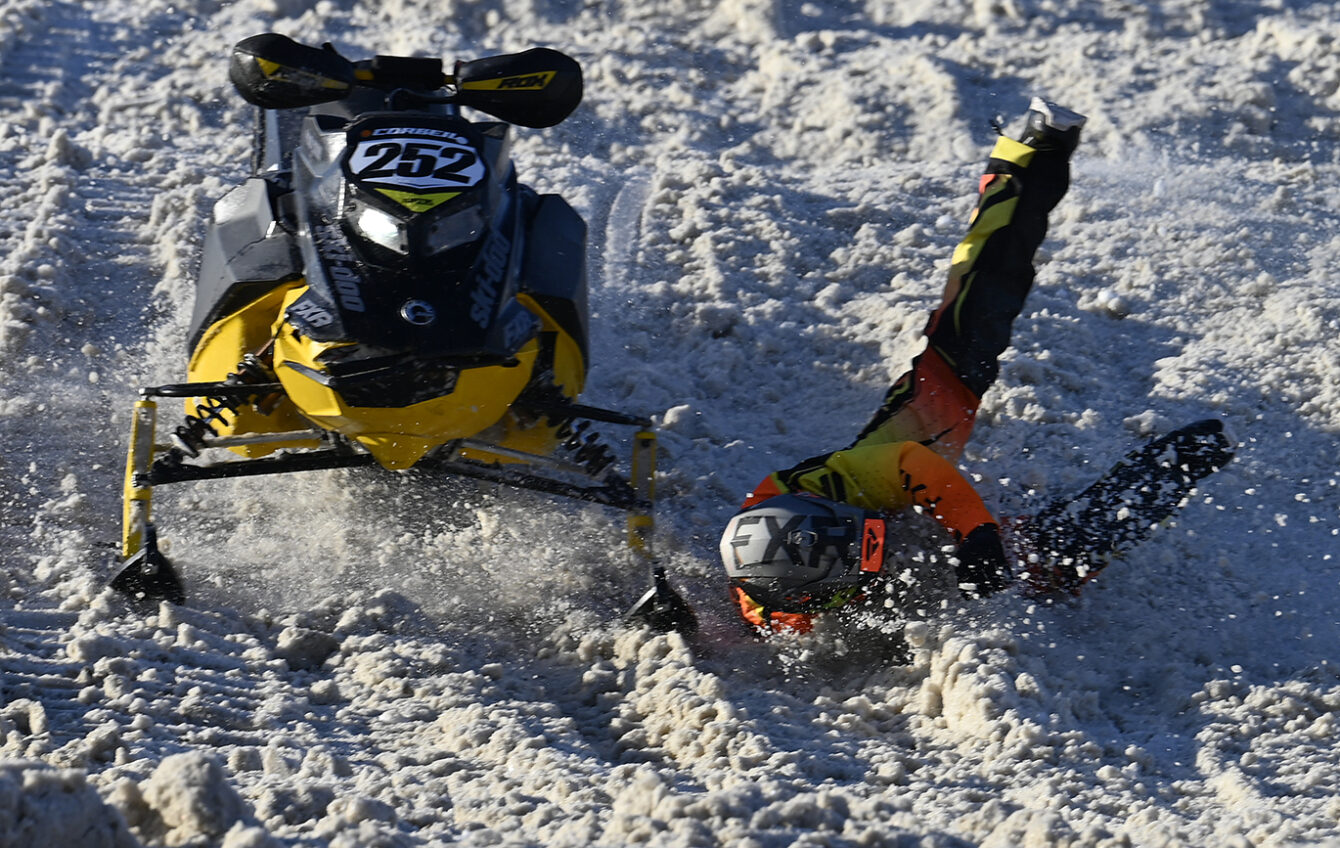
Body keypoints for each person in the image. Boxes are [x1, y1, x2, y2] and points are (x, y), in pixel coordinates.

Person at [717, 98, 1231, 636]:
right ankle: (1167, 474)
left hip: (890, 477)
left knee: (971, 329)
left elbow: (913, 464)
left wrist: (976, 534)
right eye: (866, 558)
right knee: (1055, 561)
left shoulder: (841, 485)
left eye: (866, 537)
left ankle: (1028, 156)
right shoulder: (779, 613)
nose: (883, 549)